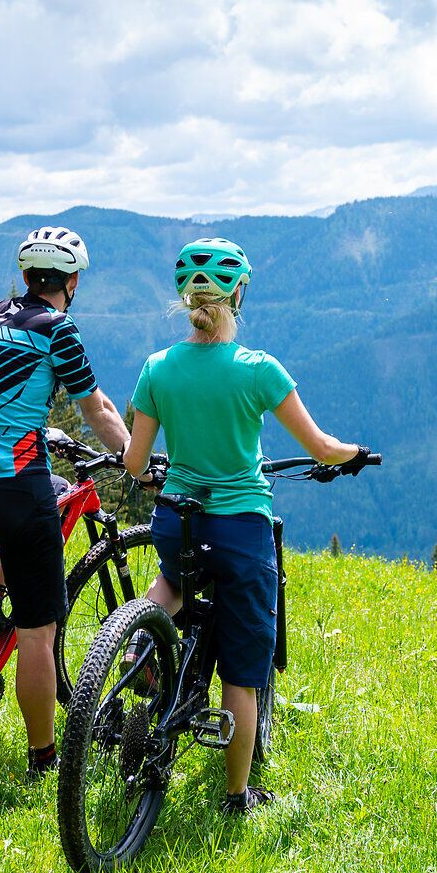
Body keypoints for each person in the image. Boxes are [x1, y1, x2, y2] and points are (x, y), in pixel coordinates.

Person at [120, 237, 371, 815]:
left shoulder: (157, 368)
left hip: (177, 520)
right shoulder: (259, 370)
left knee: (174, 579)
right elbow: (320, 447)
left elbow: (135, 463)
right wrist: (354, 453)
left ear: (187, 300)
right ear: (237, 295)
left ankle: (138, 642)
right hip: (240, 530)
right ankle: (237, 794)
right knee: (242, 668)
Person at [0, 225, 130, 779]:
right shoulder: (58, 329)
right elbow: (97, 409)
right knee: (39, 633)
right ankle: (43, 758)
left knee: (52, 492)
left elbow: (4, 390)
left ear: (28, 276)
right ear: (71, 282)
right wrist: (136, 460)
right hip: (14, 488)